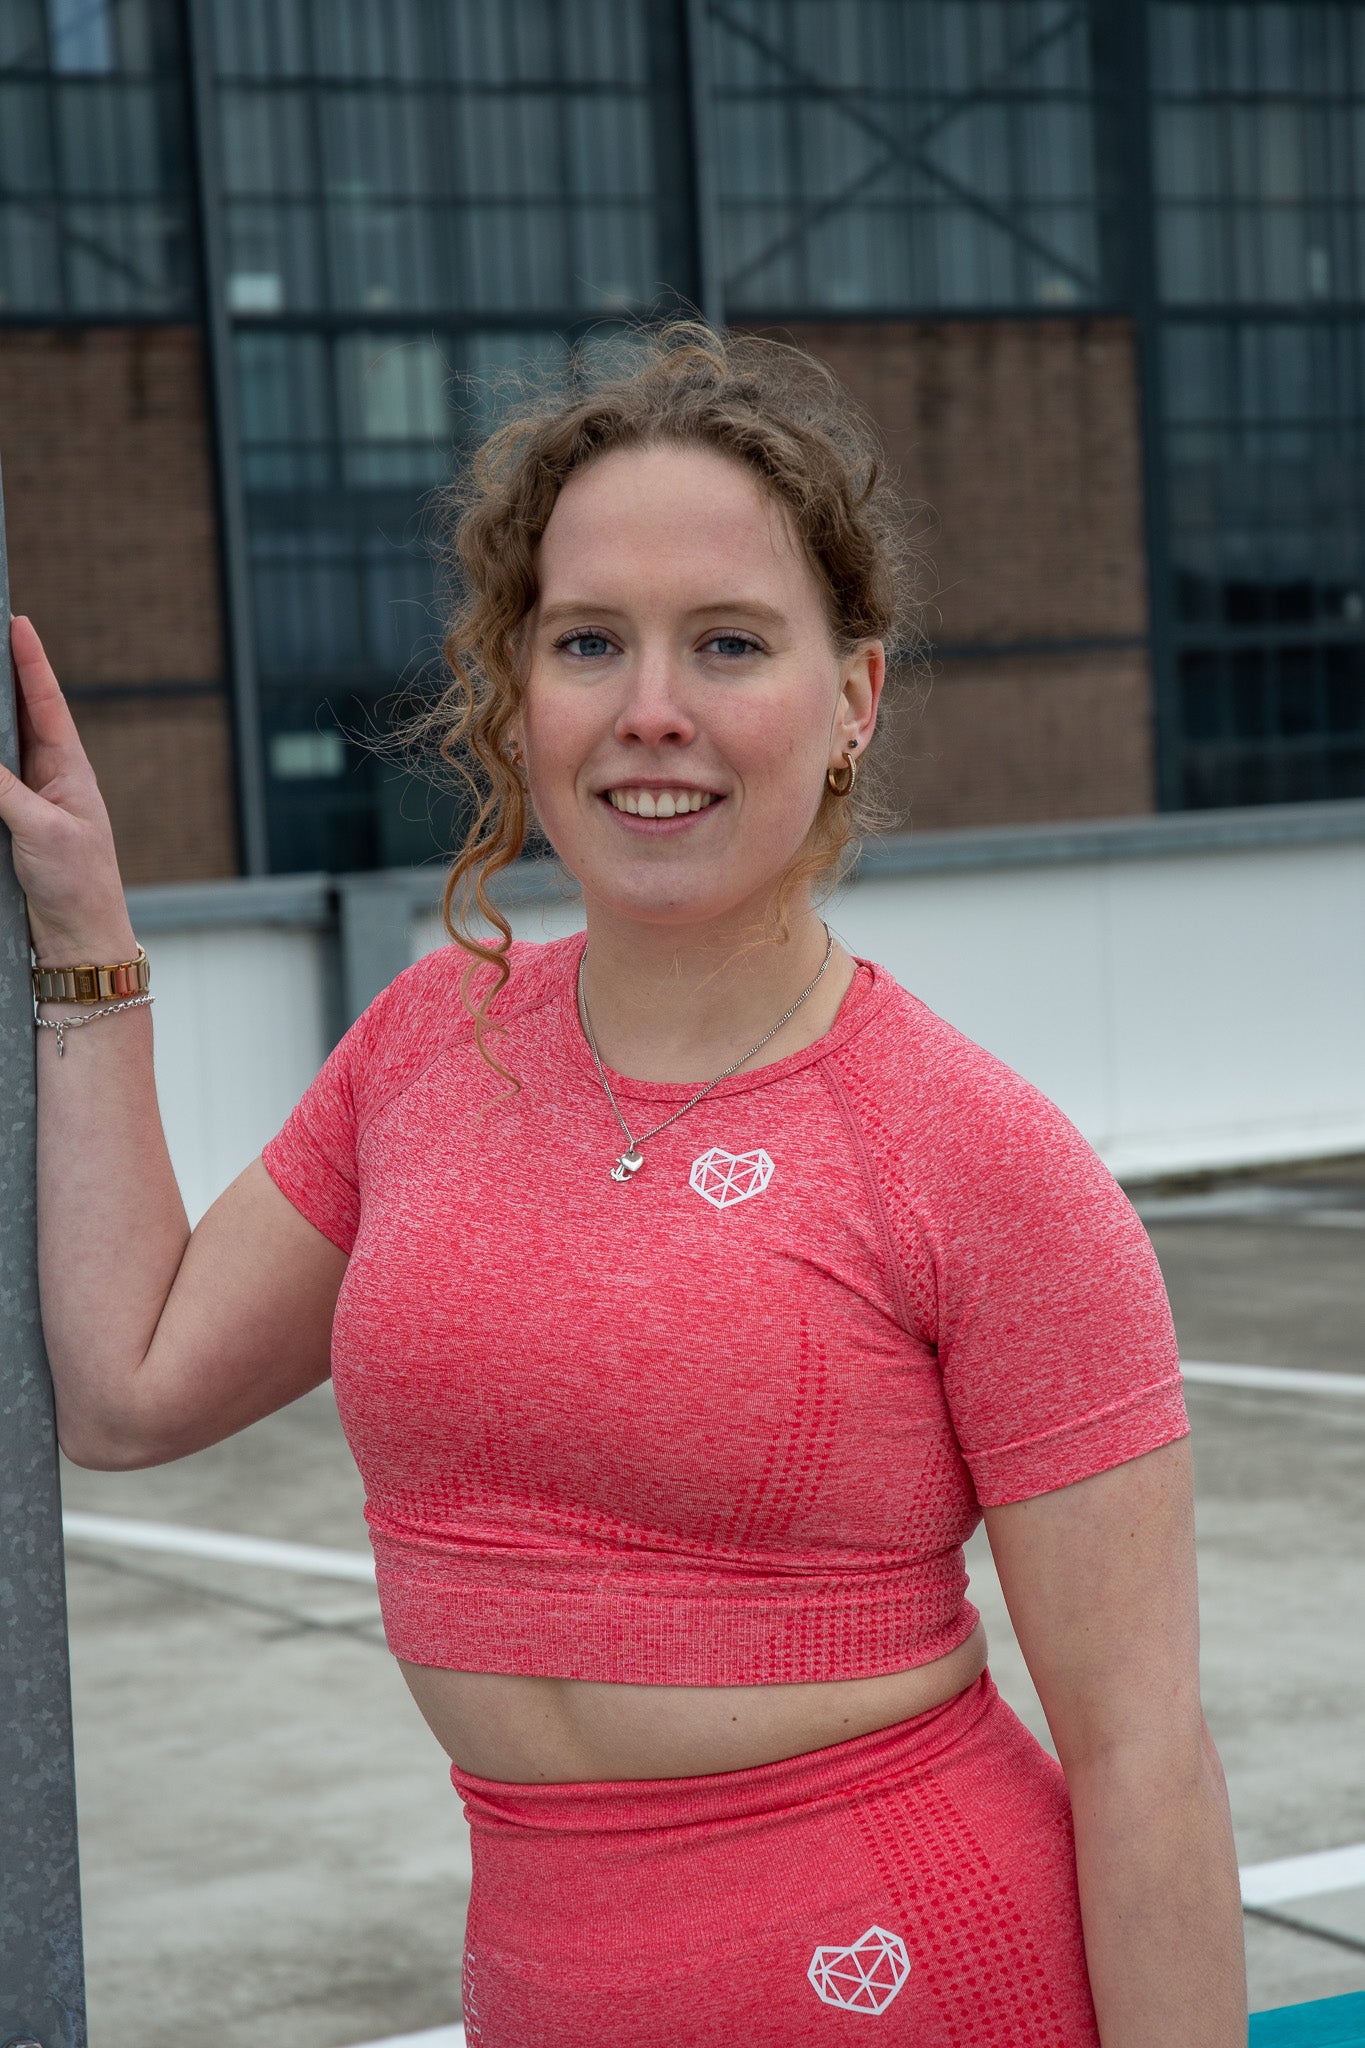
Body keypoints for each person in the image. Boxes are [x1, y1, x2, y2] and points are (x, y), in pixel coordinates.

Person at [1, 324, 1246, 2046]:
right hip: (546, 1985)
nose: (649, 707)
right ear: (519, 691)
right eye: (590, 640)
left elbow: (1140, 1758)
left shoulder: (974, 1153)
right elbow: (129, 1389)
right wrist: (88, 941)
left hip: (915, 1973)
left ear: (851, 701)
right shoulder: (427, 1042)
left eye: (727, 642)